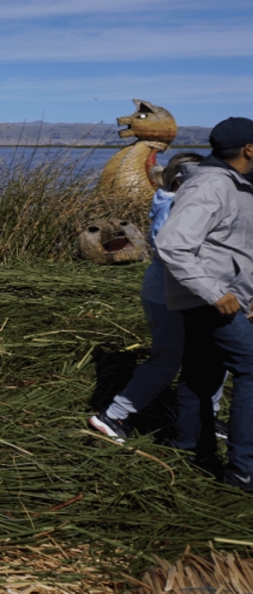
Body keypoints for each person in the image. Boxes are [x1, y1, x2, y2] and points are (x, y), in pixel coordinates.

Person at [158, 117, 253, 491]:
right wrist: (215, 293)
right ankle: (243, 469)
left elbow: (235, 247)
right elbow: (172, 244)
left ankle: (188, 449)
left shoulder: (235, 184)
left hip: (222, 297)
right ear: (250, 150)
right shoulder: (212, 186)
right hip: (209, 299)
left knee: (202, 373)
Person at [89, 153, 207, 442]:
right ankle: (115, 416)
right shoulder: (176, 207)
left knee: (201, 359)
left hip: (171, 291)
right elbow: (175, 253)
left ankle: (204, 419)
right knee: (171, 359)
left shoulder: (171, 201)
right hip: (172, 293)